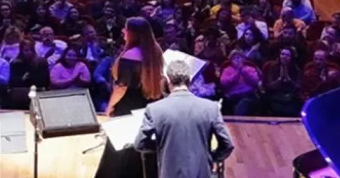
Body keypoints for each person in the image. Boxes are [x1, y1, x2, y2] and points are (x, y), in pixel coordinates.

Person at [134, 60, 235, 178]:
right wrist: (211, 158)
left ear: (167, 81)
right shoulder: (211, 108)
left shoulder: (154, 109)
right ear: (190, 81)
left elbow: (140, 144)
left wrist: (162, 146)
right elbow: (228, 144)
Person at [94, 17, 164, 178]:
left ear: (133, 33)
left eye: (126, 29)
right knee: (143, 148)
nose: (123, 32)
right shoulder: (156, 51)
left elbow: (121, 87)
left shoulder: (130, 55)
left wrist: (110, 106)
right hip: (149, 104)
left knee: (119, 152)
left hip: (128, 107)